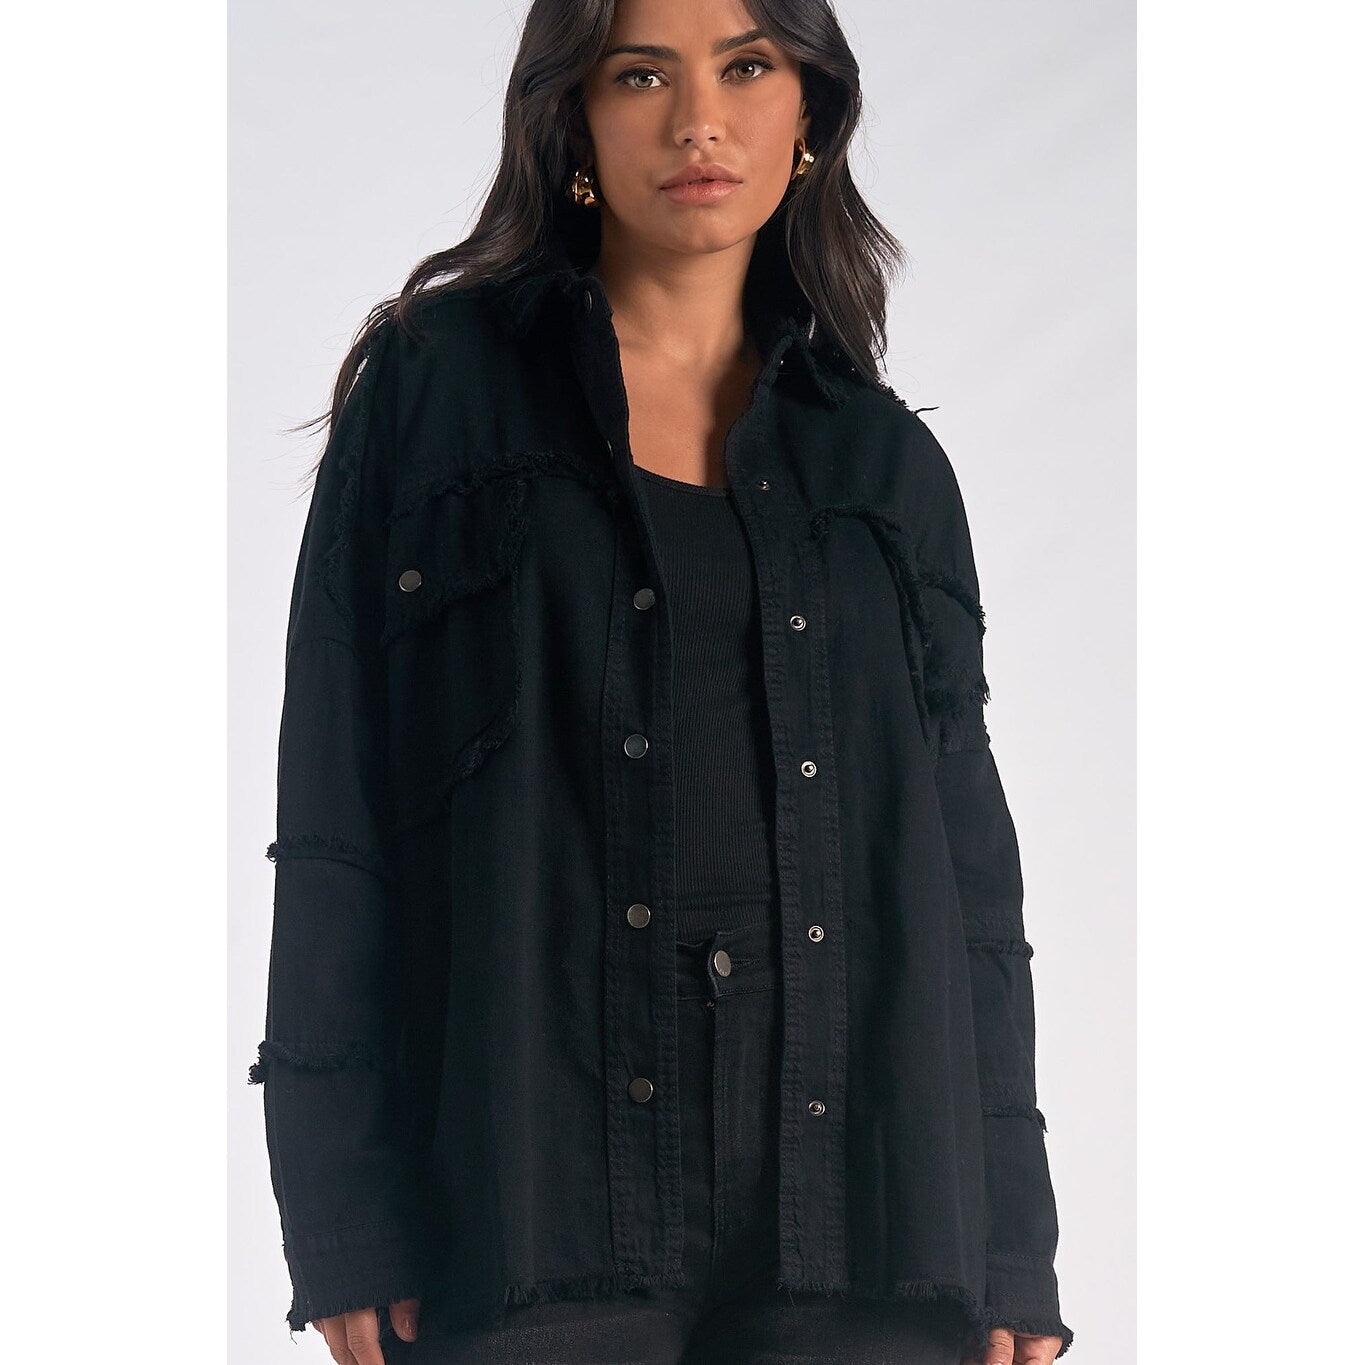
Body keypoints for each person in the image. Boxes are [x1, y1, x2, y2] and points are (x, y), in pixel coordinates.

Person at [249, 0, 1074, 1361]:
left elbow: (971, 883)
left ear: (808, 112)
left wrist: (1011, 1245)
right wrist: (344, 1207)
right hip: (530, 1199)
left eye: (746, 67)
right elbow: (339, 810)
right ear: (572, 118)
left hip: (860, 1211)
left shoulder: (887, 470)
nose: (699, 121)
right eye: (642, 75)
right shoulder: (435, 395)